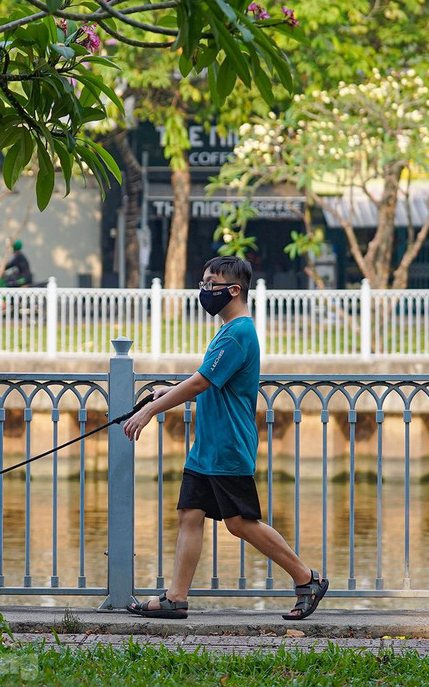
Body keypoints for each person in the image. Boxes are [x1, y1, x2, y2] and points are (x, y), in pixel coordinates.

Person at [121, 255, 328, 621]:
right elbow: (206, 380)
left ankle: (306, 578)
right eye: (202, 283)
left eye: (210, 284)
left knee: (240, 523)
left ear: (234, 290)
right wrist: (165, 392)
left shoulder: (239, 333)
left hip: (228, 446)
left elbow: (201, 382)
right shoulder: (227, 331)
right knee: (189, 514)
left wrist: (151, 410)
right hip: (207, 447)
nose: (204, 292)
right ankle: (176, 598)